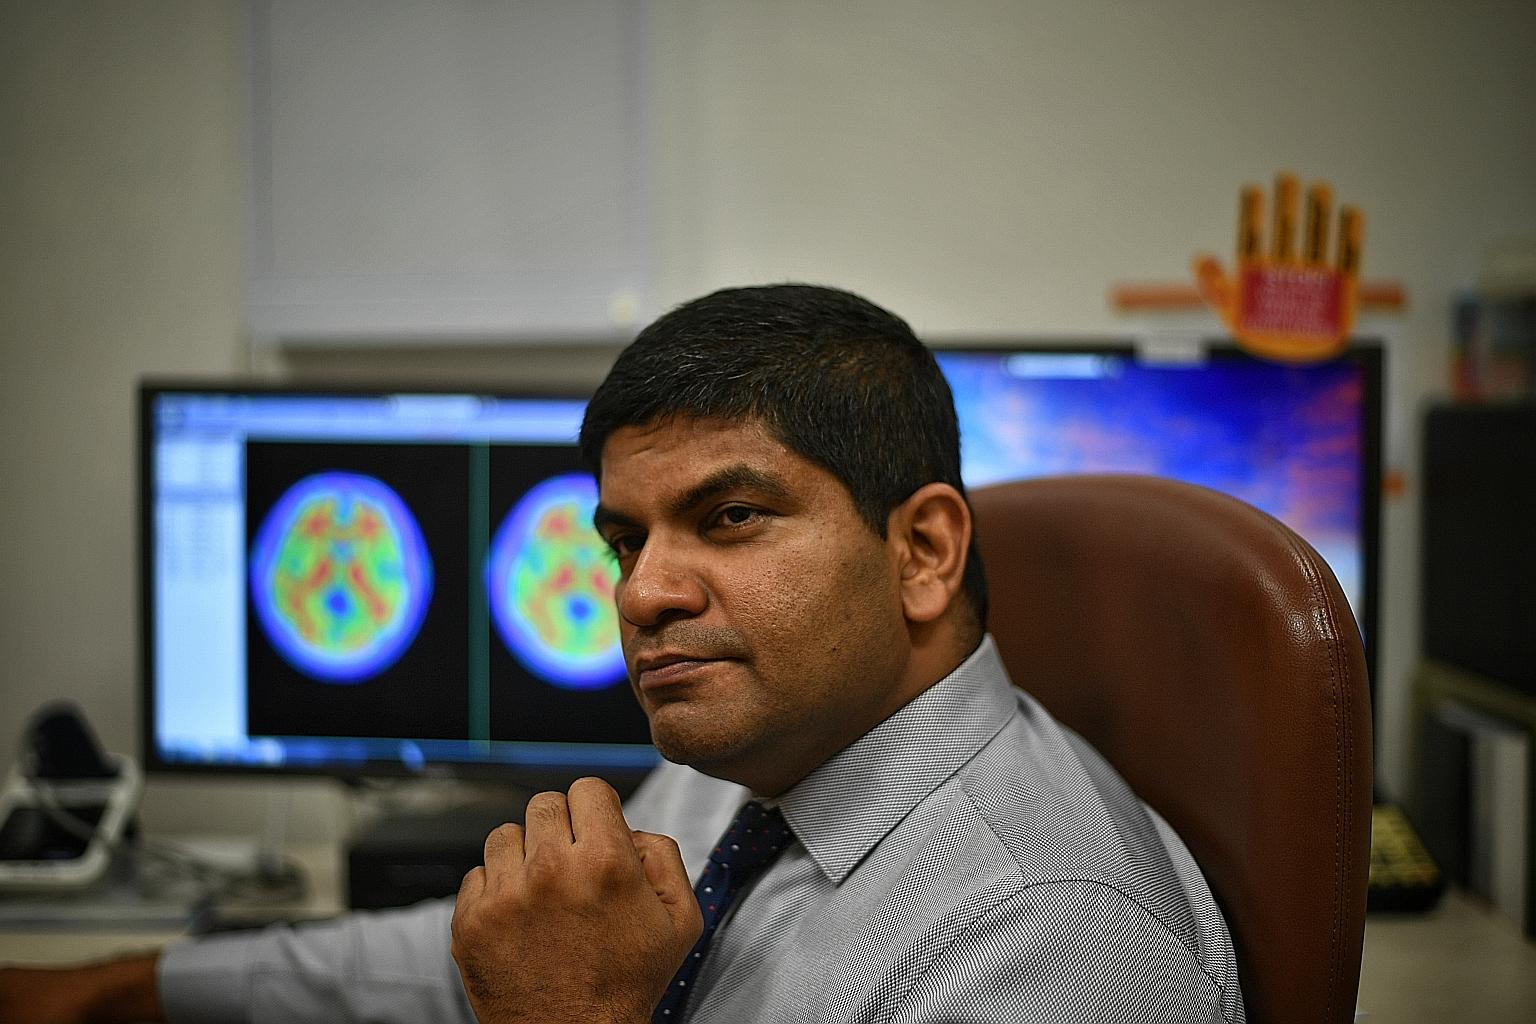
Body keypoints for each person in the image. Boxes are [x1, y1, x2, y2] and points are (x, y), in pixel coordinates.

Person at [0, 284, 1244, 1024]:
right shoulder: (761, 754)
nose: (641, 592)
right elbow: (464, 954)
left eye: (730, 517)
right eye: (623, 537)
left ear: (921, 550)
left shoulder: (1053, 941)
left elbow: (561, 986)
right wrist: (115, 990)